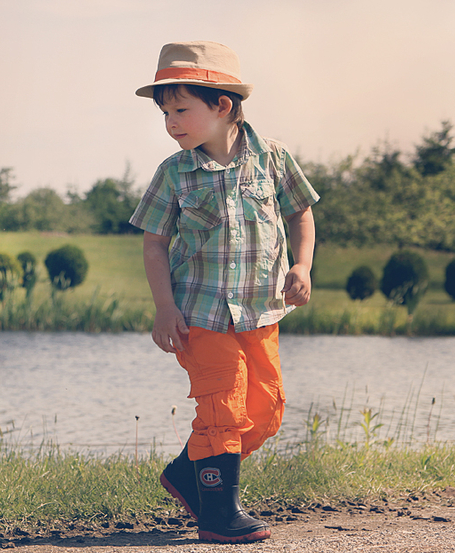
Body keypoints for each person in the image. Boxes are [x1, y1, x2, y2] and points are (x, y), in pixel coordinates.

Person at [129, 41, 319, 544]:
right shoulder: (174, 172)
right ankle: (218, 514)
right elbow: (154, 244)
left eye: (181, 110)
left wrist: (302, 265)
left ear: (222, 105)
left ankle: (187, 474)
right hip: (200, 313)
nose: (171, 122)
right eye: (165, 113)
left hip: (260, 310)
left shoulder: (273, 158)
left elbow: (301, 212)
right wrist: (164, 307)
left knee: (266, 410)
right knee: (223, 406)